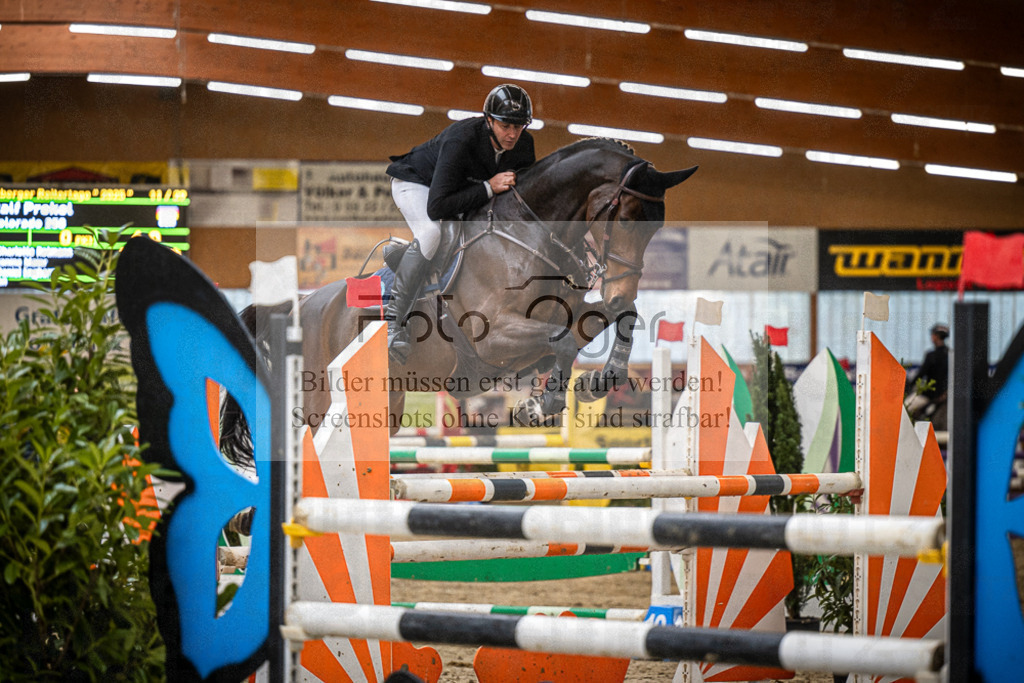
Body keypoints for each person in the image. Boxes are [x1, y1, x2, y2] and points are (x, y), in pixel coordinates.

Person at [384, 83, 536, 363]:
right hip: (417, 184)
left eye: (519, 126)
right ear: (489, 120)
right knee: (431, 233)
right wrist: (489, 187)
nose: (513, 134)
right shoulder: (462, 138)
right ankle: (394, 322)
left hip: (456, 192)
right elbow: (438, 205)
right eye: (505, 125)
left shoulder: (524, 145)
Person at [905, 323, 950, 425]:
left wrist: (910, 387)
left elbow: (921, 374)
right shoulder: (951, 354)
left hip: (929, 395)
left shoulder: (931, 356)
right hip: (945, 395)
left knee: (905, 407)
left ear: (936, 336)